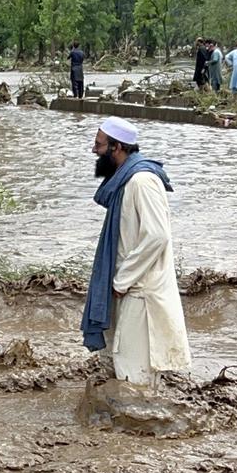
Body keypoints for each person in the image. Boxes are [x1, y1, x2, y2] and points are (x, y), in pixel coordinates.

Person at [82, 117, 191, 388]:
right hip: (130, 288)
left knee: (135, 372)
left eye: (99, 145)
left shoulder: (142, 181)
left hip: (142, 292)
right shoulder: (125, 180)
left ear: (117, 147)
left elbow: (157, 236)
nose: (94, 151)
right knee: (123, 363)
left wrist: (122, 280)